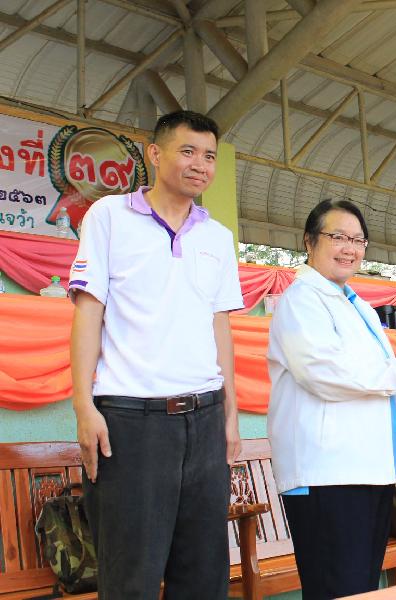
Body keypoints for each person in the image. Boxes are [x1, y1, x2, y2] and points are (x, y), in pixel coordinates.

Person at [69, 111, 244, 598]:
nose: (200, 165)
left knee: (204, 577)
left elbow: (220, 326)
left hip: (205, 419)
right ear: (155, 153)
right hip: (131, 421)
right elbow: (88, 311)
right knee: (132, 579)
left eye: (209, 156)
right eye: (187, 151)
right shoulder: (109, 215)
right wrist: (83, 406)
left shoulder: (217, 237)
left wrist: (230, 414)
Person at [266, 199, 396, 598]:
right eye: (338, 236)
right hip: (328, 474)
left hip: (368, 470)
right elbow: (322, 372)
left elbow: (371, 383)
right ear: (309, 241)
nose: (349, 248)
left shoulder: (358, 307)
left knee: (360, 589)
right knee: (336, 589)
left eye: (358, 240)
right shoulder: (302, 299)